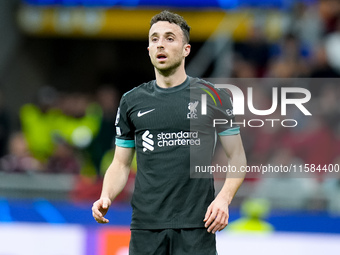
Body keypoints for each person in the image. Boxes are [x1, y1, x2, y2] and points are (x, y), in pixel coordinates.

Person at [92, 10, 247, 254]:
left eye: (169, 38)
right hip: (146, 226)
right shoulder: (131, 101)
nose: (160, 44)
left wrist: (223, 199)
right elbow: (121, 164)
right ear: (148, 49)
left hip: (198, 225)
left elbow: (237, 157)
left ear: (186, 49)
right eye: (154, 39)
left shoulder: (214, 96)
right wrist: (106, 195)